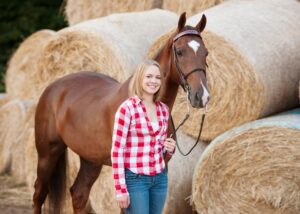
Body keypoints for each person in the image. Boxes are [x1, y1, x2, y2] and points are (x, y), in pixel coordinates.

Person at [111, 59, 176, 214]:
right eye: (149, 77)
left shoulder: (164, 110)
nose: (154, 81)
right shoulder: (127, 109)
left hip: (159, 179)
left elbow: (158, 149)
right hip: (135, 179)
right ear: (140, 78)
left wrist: (169, 149)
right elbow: (117, 151)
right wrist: (120, 189)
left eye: (157, 77)